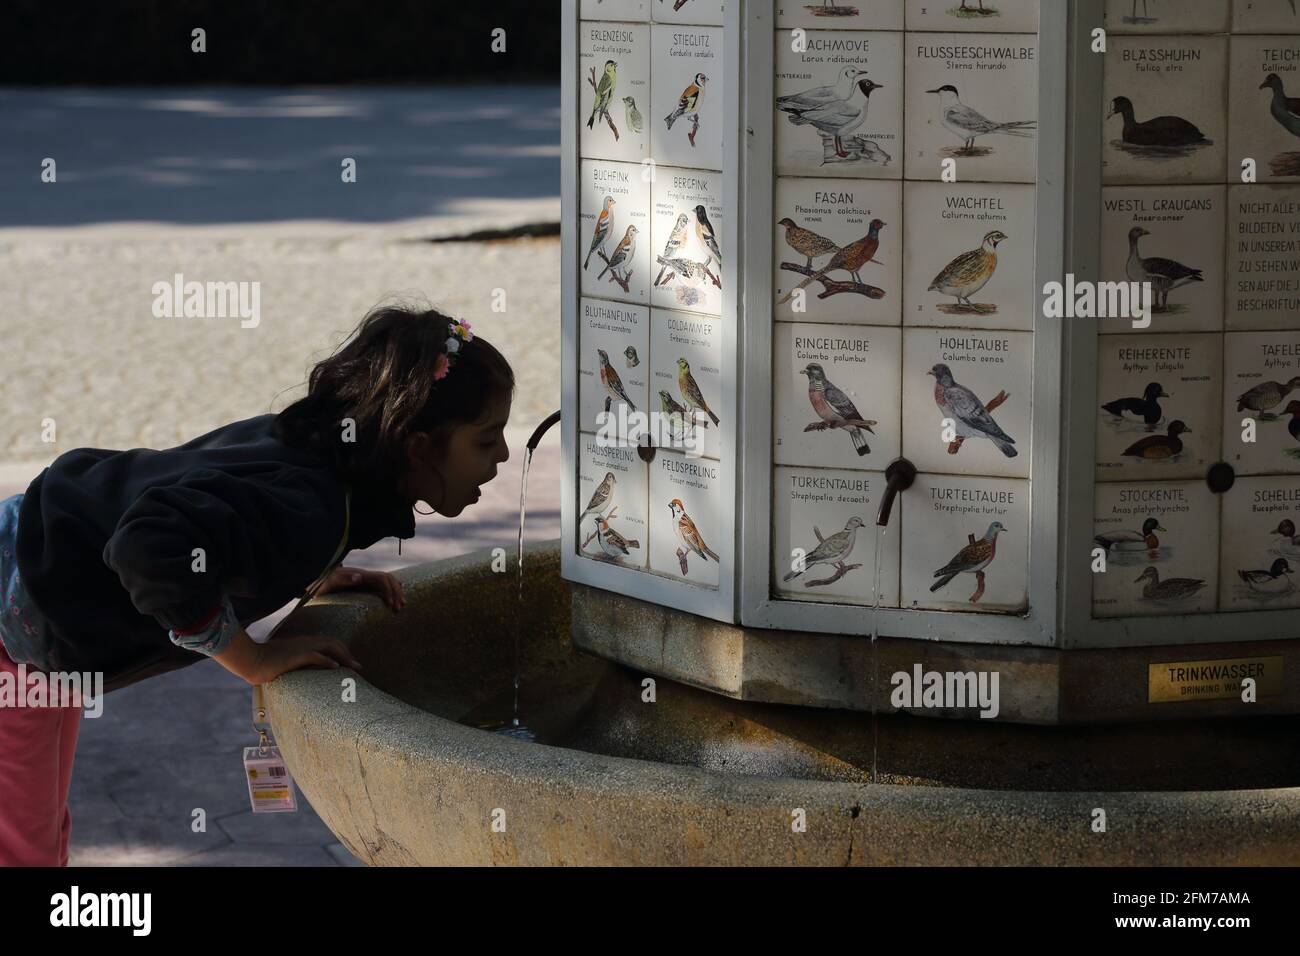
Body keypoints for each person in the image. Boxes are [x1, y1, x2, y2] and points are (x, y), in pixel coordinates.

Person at [0, 302, 514, 866]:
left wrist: (313, 572)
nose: (503, 458)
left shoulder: (321, 456)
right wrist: (251, 660)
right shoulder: (309, 506)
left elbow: (234, 517)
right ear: (416, 445)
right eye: (487, 442)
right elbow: (148, 546)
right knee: (23, 847)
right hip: (18, 611)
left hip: (41, 593)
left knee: (37, 830)